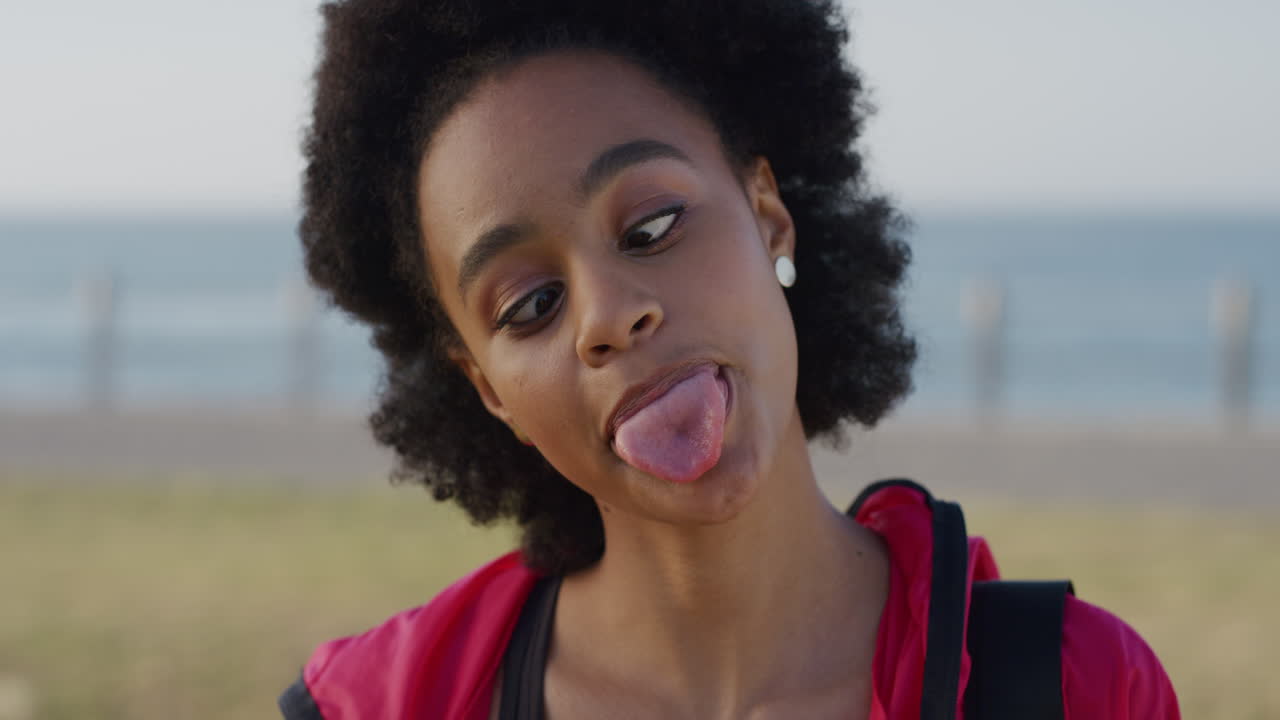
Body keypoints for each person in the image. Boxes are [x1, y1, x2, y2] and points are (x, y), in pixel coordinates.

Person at [280, 1, 1180, 718]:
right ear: (487, 389)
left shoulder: (1078, 689)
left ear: (769, 216)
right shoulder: (386, 706)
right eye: (530, 306)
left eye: (653, 225)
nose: (612, 314)